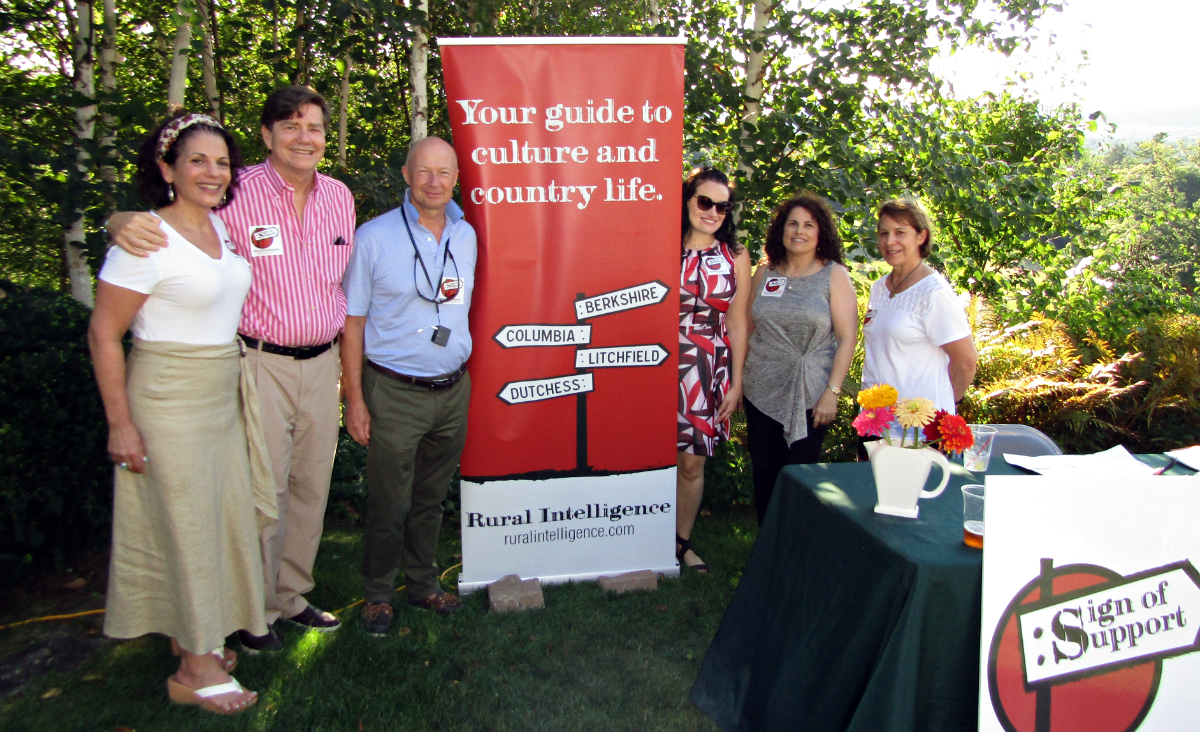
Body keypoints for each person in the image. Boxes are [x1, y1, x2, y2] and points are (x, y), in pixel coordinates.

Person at [105, 86, 357, 651]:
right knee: (260, 490)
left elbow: (342, 287)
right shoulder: (234, 192)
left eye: (314, 127)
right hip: (258, 363)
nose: (303, 137)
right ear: (267, 136)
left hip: (323, 365)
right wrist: (117, 220)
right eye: (289, 126)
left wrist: (346, 377)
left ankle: (291, 596)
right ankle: (254, 609)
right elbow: (171, 222)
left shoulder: (341, 198)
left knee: (311, 486)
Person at [89, 113, 275, 714]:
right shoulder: (146, 237)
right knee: (187, 527)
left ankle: (194, 637)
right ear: (167, 169)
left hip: (221, 396)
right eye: (198, 160)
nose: (213, 172)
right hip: (168, 400)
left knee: (213, 524)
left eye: (222, 162)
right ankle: (194, 670)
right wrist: (121, 423)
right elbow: (103, 333)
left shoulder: (221, 232)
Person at [341, 136, 476, 635]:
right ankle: (378, 592)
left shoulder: (467, 236)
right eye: (424, 172)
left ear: (456, 178)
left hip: (453, 389)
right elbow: (352, 323)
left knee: (430, 497)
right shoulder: (373, 238)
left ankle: (422, 583)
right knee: (389, 499)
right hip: (394, 390)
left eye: (444, 172)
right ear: (406, 175)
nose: (434, 182)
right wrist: (353, 397)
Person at [743, 194, 858, 523]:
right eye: (793, 223)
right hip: (760, 388)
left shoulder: (834, 275)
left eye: (809, 224)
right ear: (781, 229)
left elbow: (847, 336)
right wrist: (738, 383)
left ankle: (794, 550)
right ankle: (767, 549)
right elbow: (750, 326)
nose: (799, 231)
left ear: (820, 232)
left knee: (798, 476)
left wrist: (832, 392)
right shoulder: (765, 272)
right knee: (764, 474)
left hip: (811, 393)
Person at [677, 167, 751, 572]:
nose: (712, 212)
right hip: (654, 360)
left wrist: (736, 382)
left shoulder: (735, 256)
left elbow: (738, 322)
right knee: (648, 452)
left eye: (722, 207)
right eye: (704, 201)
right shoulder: (660, 244)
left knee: (691, 462)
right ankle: (637, 532)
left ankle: (680, 541)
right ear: (687, 200)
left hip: (707, 367)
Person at [859, 199, 977, 449]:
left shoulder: (933, 293)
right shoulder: (880, 287)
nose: (890, 241)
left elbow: (966, 361)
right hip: (876, 422)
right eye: (883, 233)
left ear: (921, 236)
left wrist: (942, 408)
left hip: (919, 432)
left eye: (900, 232)